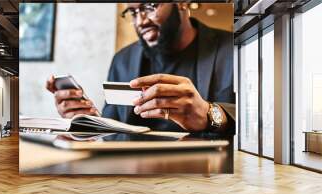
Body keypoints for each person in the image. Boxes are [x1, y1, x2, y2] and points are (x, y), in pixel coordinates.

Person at [46, 3, 234, 133]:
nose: (141, 21)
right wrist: (90, 122)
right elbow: (113, 131)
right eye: (133, 12)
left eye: (150, 6)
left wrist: (209, 114)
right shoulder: (122, 59)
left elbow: (258, 121)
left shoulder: (233, 48)